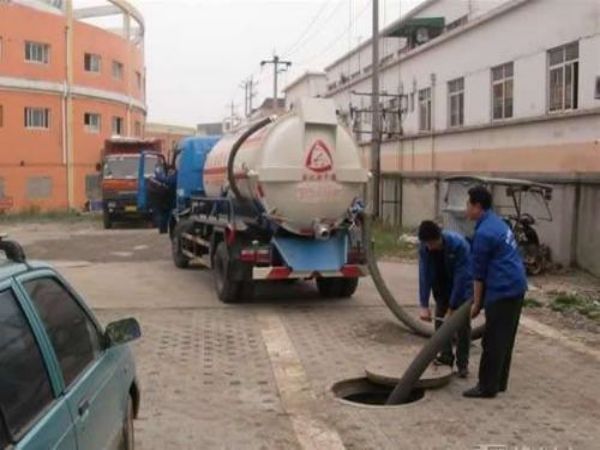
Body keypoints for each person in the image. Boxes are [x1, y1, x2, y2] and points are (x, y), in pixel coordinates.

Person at [463, 186, 528, 399]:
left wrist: (476, 304)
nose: (466, 209)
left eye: (468, 204)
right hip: (517, 286)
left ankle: (486, 386)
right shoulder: (498, 223)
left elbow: (479, 274)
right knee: (505, 337)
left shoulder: (484, 233)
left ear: (477, 206)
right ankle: (499, 382)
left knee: (492, 340)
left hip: (503, 289)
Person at [418, 220, 473, 378]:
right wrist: (423, 304)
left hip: (462, 288)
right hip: (441, 287)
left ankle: (463, 365)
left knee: (462, 326)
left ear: (438, 238)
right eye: (426, 244)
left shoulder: (459, 245)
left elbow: (461, 278)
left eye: (431, 243)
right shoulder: (425, 248)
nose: (429, 247)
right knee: (441, 324)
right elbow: (424, 274)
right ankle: (446, 357)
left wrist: (453, 308)